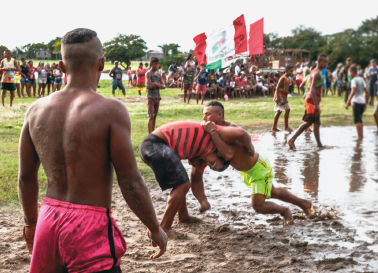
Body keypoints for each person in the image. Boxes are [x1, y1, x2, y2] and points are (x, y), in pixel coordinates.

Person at [18, 28, 168, 273]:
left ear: (61, 67)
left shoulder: (35, 110)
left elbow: (25, 178)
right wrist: (154, 228)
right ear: (101, 64)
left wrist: (30, 224)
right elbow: (130, 181)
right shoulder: (110, 109)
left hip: (48, 218)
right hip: (89, 225)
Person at [198, 112, 313, 225]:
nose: (204, 117)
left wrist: (249, 146)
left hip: (258, 167)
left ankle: (285, 211)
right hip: (247, 171)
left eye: (208, 114)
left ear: (219, 115)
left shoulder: (229, 128)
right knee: (273, 192)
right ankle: (304, 203)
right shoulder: (215, 132)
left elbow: (242, 135)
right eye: (203, 114)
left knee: (258, 205)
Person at [140, 121, 250, 237]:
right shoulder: (214, 136)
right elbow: (241, 132)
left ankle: (183, 217)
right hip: (154, 144)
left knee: (182, 182)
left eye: (210, 166)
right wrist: (250, 147)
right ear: (217, 153)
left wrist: (203, 201)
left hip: (156, 146)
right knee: (183, 184)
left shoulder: (203, 158)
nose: (209, 164)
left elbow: (196, 180)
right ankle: (164, 227)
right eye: (212, 163)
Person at [288, 54, 329, 150]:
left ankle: (319, 144)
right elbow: (312, 89)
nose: (326, 63)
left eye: (327, 61)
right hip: (311, 101)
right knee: (310, 122)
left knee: (315, 122)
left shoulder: (315, 71)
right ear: (319, 62)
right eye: (325, 62)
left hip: (312, 100)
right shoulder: (317, 73)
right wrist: (315, 104)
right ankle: (292, 140)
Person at [345, 65, 368, 140]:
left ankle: (359, 137)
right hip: (362, 101)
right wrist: (365, 103)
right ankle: (361, 136)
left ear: (352, 72)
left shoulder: (354, 80)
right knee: (360, 119)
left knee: (357, 120)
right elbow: (366, 92)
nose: (349, 74)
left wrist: (347, 102)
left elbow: (353, 92)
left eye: (349, 72)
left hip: (356, 102)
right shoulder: (361, 79)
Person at [272, 64, 294, 132]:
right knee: (286, 109)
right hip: (280, 95)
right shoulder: (283, 78)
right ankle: (285, 127)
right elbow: (277, 87)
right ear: (286, 71)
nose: (291, 73)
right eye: (290, 71)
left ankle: (274, 127)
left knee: (280, 111)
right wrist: (278, 97)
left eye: (292, 71)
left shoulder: (288, 78)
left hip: (284, 96)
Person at [146, 57, 165, 134]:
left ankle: (153, 133)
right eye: (155, 64)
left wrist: (156, 84)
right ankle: (150, 134)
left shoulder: (158, 75)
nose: (157, 65)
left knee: (155, 116)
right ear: (151, 64)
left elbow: (163, 86)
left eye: (158, 64)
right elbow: (149, 86)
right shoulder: (148, 73)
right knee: (151, 116)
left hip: (157, 97)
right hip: (150, 97)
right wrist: (158, 85)